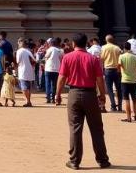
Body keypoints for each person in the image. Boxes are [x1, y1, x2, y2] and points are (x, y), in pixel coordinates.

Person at [55, 32, 110, 171]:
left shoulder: (67, 58)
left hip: (73, 94)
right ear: (86, 43)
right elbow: (99, 79)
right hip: (90, 94)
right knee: (96, 129)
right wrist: (102, 95)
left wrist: (58, 94)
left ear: (73, 44)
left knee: (75, 128)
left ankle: (74, 161)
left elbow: (61, 78)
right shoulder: (93, 59)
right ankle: (102, 160)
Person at [119, 41, 136, 122]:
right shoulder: (135, 57)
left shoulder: (121, 57)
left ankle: (128, 117)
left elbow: (118, 66)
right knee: (134, 98)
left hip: (125, 80)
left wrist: (122, 71)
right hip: (134, 80)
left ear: (124, 48)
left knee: (126, 99)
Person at [101, 34, 122, 113]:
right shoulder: (117, 48)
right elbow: (121, 58)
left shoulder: (103, 48)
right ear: (112, 40)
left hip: (108, 70)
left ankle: (113, 106)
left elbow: (102, 58)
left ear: (106, 40)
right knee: (118, 88)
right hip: (117, 70)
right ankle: (119, 106)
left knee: (109, 89)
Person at [16, 38, 36, 107]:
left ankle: (28, 101)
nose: (18, 44)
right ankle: (28, 101)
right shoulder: (29, 51)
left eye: (18, 42)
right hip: (30, 71)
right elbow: (34, 61)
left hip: (22, 71)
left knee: (24, 87)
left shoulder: (19, 51)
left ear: (21, 43)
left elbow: (18, 61)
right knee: (28, 87)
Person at [45, 38, 64, 105]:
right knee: (54, 84)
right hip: (56, 69)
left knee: (48, 84)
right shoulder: (60, 51)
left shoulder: (49, 49)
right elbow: (61, 58)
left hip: (48, 68)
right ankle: (53, 98)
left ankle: (48, 98)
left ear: (51, 44)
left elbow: (46, 56)